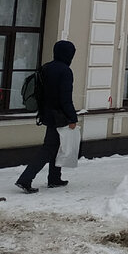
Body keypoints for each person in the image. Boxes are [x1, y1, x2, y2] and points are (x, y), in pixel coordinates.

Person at [16, 40, 79, 194]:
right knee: (49, 148)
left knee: (56, 147)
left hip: (46, 113)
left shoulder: (46, 67)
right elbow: (65, 98)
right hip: (59, 115)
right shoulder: (65, 71)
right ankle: (25, 179)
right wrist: (73, 117)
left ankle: (54, 178)